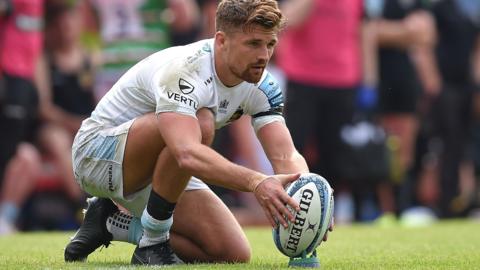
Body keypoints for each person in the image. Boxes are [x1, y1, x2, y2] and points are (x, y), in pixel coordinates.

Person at [64, 0, 331, 266]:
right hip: (96, 155)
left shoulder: (263, 84)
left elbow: (285, 153)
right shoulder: (186, 70)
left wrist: (310, 197)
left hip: (162, 162)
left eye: (270, 44)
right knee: (200, 123)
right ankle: (152, 243)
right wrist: (256, 182)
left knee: (231, 252)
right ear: (221, 40)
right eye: (253, 44)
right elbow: (186, 154)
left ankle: (110, 223)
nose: (263, 55)